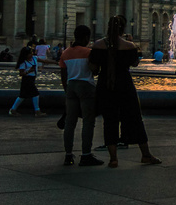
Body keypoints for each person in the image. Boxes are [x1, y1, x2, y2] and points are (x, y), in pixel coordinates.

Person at [90, 15, 162, 167]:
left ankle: (113, 158)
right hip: (124, 85)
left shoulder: (98, 45)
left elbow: (94, 69)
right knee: (135, 118)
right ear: (123, 29)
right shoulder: (129, 46)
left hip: (106, 85)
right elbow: (135, 63)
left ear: (108, 27)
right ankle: (145, 155)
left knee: (109, 121)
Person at [58, 25, 103, 167]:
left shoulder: (65, 53)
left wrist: (67, 91)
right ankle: (86, 155)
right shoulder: (89, 52)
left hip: (71, 86)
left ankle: (68, 155)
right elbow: (94, 71)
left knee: (70, 123)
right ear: (85, 37)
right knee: (88, 122)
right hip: (86, 86)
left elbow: (63, 75)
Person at [8, 44, 42, 116]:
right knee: (35, 93)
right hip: (27, 79)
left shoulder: (34, 58)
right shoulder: (23, 63)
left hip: (31, 79)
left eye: (31, 52)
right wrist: (29, 71)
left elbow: (44, 61)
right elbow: (21, 73)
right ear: (25, 55)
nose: (31, 54)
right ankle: (37, 111)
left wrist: (55, 62)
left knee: (22, 96)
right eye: (30, 53)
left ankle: (13, 109)